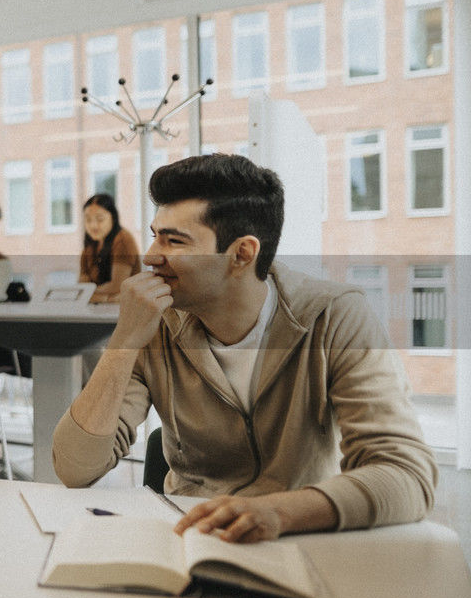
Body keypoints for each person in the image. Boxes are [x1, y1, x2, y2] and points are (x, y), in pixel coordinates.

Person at [52, 154, 435, 543]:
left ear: (241, 254)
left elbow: (405, 475)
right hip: (189, 538)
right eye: (155, 234)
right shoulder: (155, 324)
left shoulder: (335, 316)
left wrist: (277, 512)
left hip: (302, 537)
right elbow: (74, 468)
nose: (150, 255)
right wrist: (123, 341)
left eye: (174, 240)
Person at [79, 193, 139, 303]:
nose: (93, 226)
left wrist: (89, 295)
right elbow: (82, 281)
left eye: (100, 219)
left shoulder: (123, 240)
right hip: (99, 307)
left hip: (125, 306)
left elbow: (117, 286)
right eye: (88, 220)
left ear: (113, 218)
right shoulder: (91, 244)